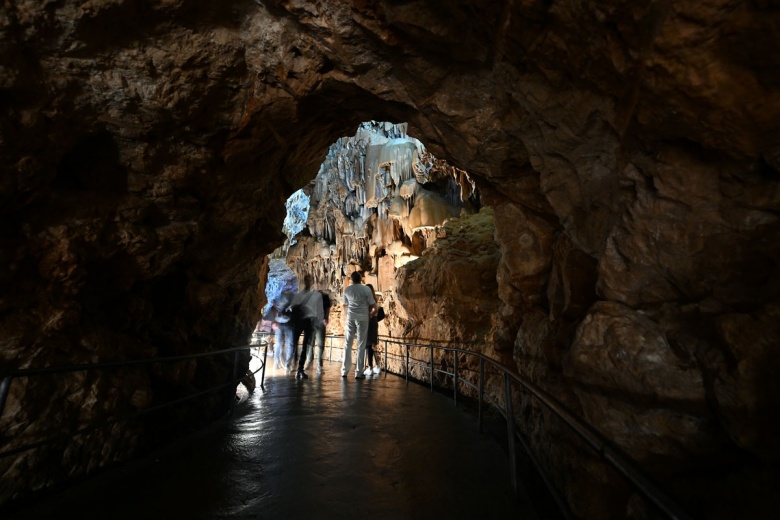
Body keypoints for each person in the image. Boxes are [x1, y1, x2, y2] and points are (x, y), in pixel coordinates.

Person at [341, 271, 376, 379]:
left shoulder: (347, 290)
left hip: (351, 317)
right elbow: (373, 305)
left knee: (348, 343)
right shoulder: (366, 289)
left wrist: (347, 315)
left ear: (351, 279)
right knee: (361, 344)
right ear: (360, 279)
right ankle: (358, 372)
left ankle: (344, 371)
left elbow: (345, 305)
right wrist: (370, 314)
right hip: (363, 318)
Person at [289, 274, 324, 380]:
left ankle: (300, 368)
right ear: (305, 282)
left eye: (310, 280)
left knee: (306, 346)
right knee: (295, 344)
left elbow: (320, 310)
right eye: (307, 280)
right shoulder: (299, 295)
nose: (309, 282)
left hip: (309, 321)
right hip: (301, 321)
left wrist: (318, 322)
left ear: (312, 282)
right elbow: (292, 307)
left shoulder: (316, 295)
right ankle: (294, 363)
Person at [305, 289, 331, 374]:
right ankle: (309, 361)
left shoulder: (324, 297)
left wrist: (326, 318)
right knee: (310, 344)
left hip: (320, 322)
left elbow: (327, 308)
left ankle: (319, 364)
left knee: (320, 344)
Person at [363, 284, 385, 376]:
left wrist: (369, 316)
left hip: (369, 322)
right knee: (372, 345)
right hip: (374, 323)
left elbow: (370, 312)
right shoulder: (374, 300)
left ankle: (370, 367)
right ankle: (376, 365)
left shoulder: (368, 300)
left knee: (368, 345)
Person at [272, 291, 295, 371]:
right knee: (281, 343)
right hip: (281, 323)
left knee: (288, 344)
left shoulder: (278, 295)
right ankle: (278, 362)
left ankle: (285, 364)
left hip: (288, 323)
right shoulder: (278, 295)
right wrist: (273, 321)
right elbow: (272, 308)